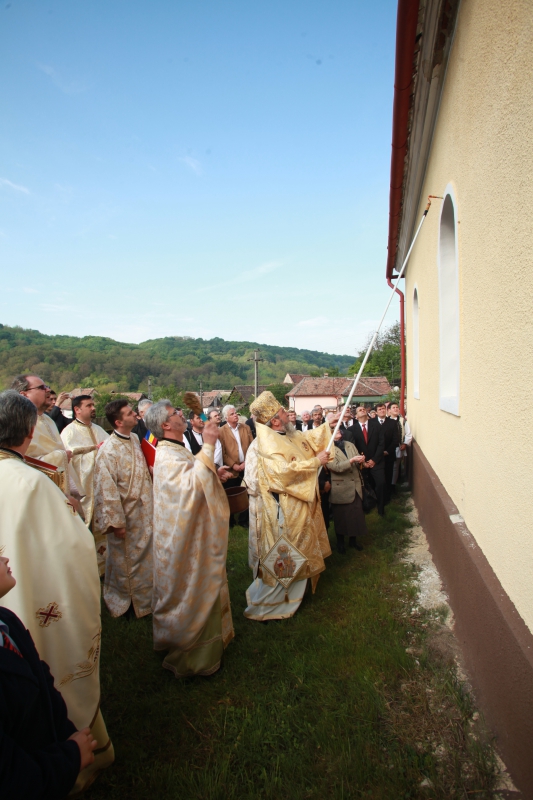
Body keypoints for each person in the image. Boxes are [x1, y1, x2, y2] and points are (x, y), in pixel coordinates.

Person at [0, 391, 114, 793]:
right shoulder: (30, 482)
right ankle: (69, 755)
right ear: (30, 432)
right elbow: (72, 548)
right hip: (34, 596)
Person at [0, 548, 99, 798]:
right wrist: (69, 758)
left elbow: (43, 683)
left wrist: (66, 736)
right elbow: (11, 781)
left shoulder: (7, 621)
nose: (5, 557)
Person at [145, 401, 234, 677]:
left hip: (194, 531)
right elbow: (191, 488)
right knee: (195, 585)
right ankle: (194, 655)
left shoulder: (176, 449)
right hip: (185, 541)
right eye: (175, 414)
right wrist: (208, 445)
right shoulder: (167, 455)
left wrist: (211, 470)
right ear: (165, 425)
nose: (182, 415)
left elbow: (194, 473)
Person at [244, 391, 332, 622]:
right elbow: (282, 474)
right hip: (284, 512)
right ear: (274, 420)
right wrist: (316, 462)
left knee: (302, 549)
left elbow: (306, 440)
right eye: (283, 412)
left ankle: (296, 593)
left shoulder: (285, 434)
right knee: (289, 553)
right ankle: (278, 600)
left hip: (299, 507)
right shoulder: (265, 444)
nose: (288, 414)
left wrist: (328, 427)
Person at [93, 400, 153, 619]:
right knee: (126, 562)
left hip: (145, 512)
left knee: (146, 559)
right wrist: (116, 523)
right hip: (126, 517)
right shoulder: (107, 451)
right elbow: (106, 490)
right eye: (129, 413)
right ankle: (127, 604)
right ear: (118, 421)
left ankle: (147, 600)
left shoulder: (135, 438)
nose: (135, 415)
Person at [10, 375, 82, 501]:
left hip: (58, 492)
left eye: (47, 387)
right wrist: (61, 456)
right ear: (24, 394)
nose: (48, 390)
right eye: (42, 387)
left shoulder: (48, 419)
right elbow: (19, 462)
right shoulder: (17, 422)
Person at [61, 395, 109, 576]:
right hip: (83, 489)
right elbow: (68, 458)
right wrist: (93, 451)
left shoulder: (98, 429)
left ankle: (105, 567)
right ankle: (87, 569)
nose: (93, 407)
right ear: (77, 410)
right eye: (88, 405)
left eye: (93, 404)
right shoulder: (69, 432)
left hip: (101, 488)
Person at [329, 429, 368, 553]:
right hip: (340, 489)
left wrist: (361, 461)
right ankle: (340, 544)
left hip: (355, 486)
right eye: (335, 430)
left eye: (339, 429)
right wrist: (351, 461)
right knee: (341, 517)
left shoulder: (349, 445)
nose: (339, 431)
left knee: (356, 515)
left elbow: (358, 465)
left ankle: (353, 541)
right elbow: (335, 467)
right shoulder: (328, 449)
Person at [344, 405, 386, 516]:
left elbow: (381, 444)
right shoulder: (351, 430)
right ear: (356, 416)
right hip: (361, 463)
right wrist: (363, 462)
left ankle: (381, 509)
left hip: (377, 461)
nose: (363, 410)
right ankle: (366, 508)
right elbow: (352, 447)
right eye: (360, 410)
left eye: (363, 409)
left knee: (381, 483)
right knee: (364, 486)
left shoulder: (376, 425)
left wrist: (374, 460)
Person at [219, 404, 253, 526]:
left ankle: (244, 520)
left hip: (246, 466)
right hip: (231, 469)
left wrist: (246, 462)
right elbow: (223, 453)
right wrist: (233, 465)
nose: (235, 416)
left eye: (236, 413)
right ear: (226, 418)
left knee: (247, 493)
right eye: (232, 414)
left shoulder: (246, 428)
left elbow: (252, 447)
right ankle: (231, 521)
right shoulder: (221, 431)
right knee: (231, 494)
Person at [375, 402, 400, 503]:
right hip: (376, 456)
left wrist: (387, 451)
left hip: (388, 455)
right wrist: (377, 453)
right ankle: (377, 497)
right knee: (378, 478)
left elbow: (395, 439)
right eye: (379, 409)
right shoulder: (372, 422)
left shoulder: (392, 423)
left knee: (388, 475)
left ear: (386, 410)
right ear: (376, 412)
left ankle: (387, 497)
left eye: (383, 409)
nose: (382, 411)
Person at [388, 402, 413, 486]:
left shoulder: (403, 421)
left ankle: (393, 485)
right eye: (393, 407)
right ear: (389, 410)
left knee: (395, 466)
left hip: (398, 447)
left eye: (397, 407)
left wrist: (405, 443)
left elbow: (408, 434)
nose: (395, 409)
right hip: (387, 447)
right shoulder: (386, 421)